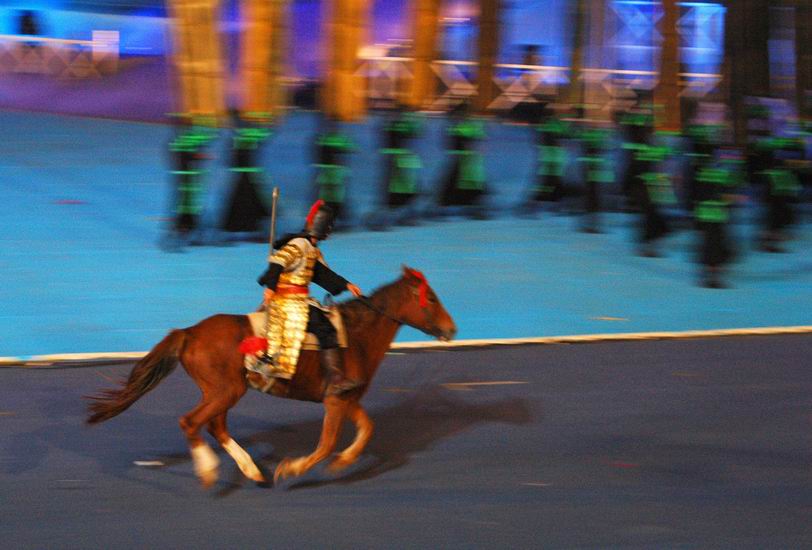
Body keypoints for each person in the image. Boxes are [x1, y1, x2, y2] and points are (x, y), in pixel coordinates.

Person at [255, 200, 363, 395]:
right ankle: (336, 379)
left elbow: (320, 273)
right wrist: (271, 286)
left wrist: (346, 285)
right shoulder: (299, 244)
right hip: (288, 302)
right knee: (325, 328)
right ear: (324, 227)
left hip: (298, 299)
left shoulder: (311, 249)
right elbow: (278, 262)